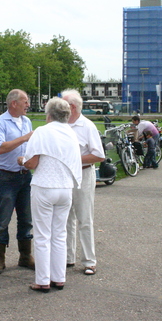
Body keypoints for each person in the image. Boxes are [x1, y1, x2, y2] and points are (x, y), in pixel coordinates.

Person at [19, 98, 82, 292]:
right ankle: (58, 277)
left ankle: (43, 280)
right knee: (59, 234)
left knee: (42, 235)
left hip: (45, 186)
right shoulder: (71, 133)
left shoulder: (42, 132)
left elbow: (32, 163)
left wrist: (21, 160)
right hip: (65, 188)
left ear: (49, 114)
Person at [0, 89, 35, 275]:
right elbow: (0, 148)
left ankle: (25, 255)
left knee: (26, 218)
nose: (28, 105)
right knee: (3, 219)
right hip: (6, 177)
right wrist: (25, 137)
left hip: (25, 175)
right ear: (13, 103)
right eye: (25, 101)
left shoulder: (27, 121)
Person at [61, 89, 105, 276]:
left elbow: (99, 155)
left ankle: (89, 261)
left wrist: (73, 159)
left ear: (72, 106)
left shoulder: (87, 126)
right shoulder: (61, 125)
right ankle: (67, 258)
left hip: (83, 175)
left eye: (62, 104)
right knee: (65, 219)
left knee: (84, 219)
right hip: (64, 176)